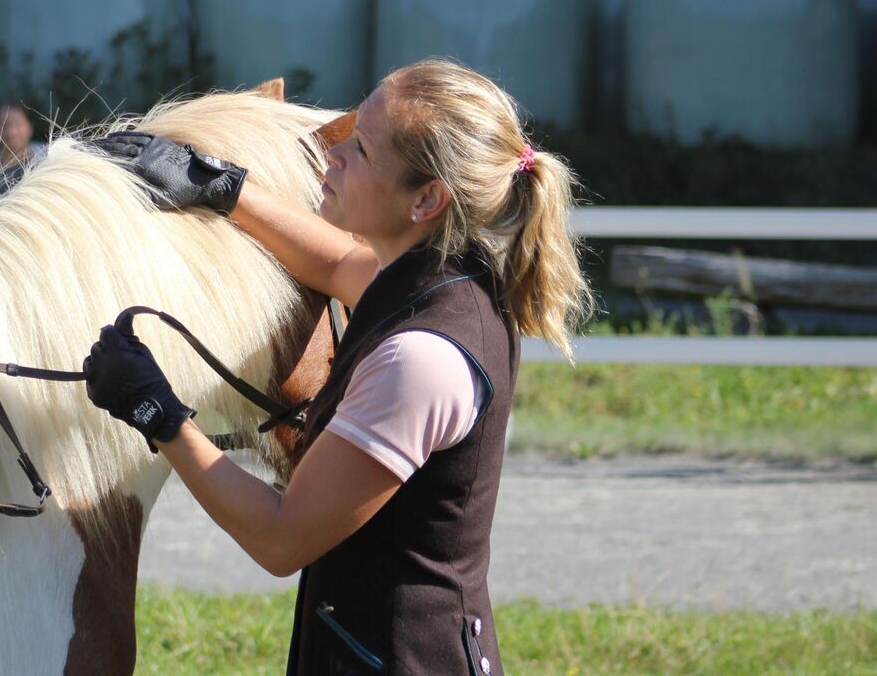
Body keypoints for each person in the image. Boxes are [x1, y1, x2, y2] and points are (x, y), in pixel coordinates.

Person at [86, 59, 593, 676]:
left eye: (363, 150)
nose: (333, 157)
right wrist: (223, 186)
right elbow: (332, 266)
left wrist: (159, 415)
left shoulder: (420, 361)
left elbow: (280, 538)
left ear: (427, 198)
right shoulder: (448, 278)